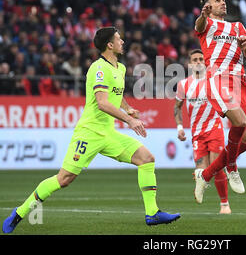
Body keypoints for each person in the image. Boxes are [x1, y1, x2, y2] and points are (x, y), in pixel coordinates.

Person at [2, 27, 180, 233]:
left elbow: (116, 94)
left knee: (146, 158)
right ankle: (19, 213)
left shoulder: (120, 69)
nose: (123, 42)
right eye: (119, 39)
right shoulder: (98, 69)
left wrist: (128, 108)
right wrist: (129, 122)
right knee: (64, 179)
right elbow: (103, 103)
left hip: (109, 133)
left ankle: (152, 213)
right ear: (109, 45)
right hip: (89, 132)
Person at [193, 0, 246, 203]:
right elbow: (199, 26)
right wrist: (202, 14)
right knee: (238, 122)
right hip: (219, 78)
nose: (223, 3)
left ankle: (206, 174)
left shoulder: (237, 26)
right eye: (217, 0)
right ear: (209, 6)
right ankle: (231, 166)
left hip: (240, 81)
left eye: (223, 0)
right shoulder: (206, 23)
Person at [174, 49, 231, 214]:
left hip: (214, 129)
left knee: (217, 166)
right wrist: (179, 127)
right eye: (195, 60)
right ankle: (201, 182)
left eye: (201, 59)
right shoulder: (183, 84)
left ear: (205, 63)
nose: (198, 62)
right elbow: (177, 107)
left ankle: (224, 205)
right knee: (201, 171)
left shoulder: (213, 82)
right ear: (190, 64)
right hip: (197, 133)